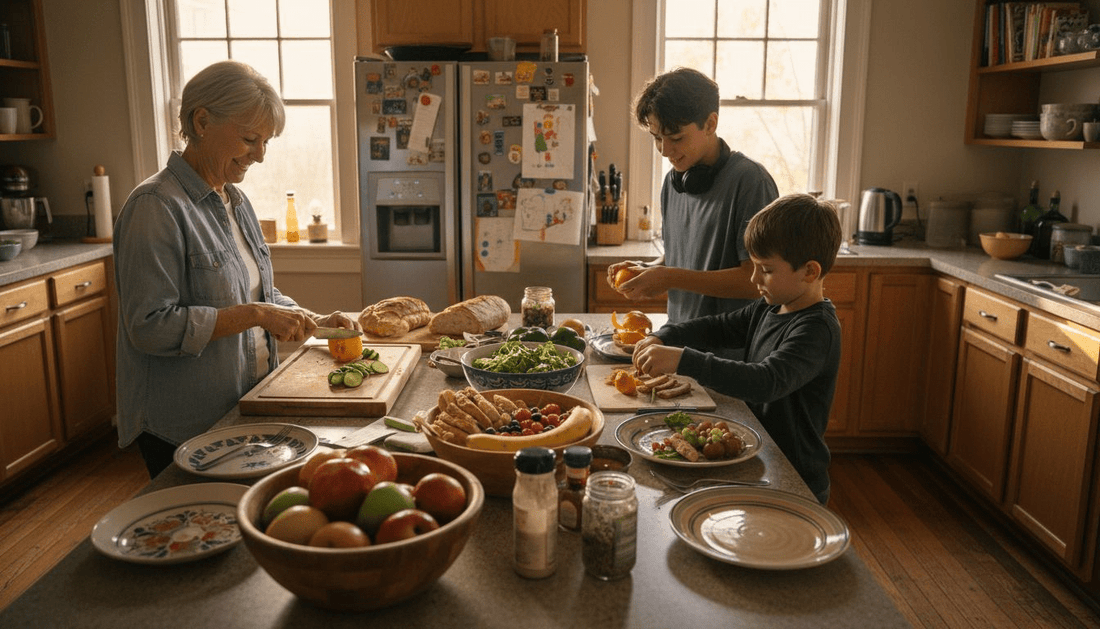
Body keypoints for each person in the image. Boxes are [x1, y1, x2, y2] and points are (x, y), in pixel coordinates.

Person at [113, 60, 358, 478]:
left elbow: (256, 294)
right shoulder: (155, 206)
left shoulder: (233, 201)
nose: (260, 156)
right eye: (250, 139)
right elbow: (149, 326)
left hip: (243, 410)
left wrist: (313, 320)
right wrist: (256, 316)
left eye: (266, 142)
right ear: (202, 121)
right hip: (185, 427)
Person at [632, 194, 843, 504]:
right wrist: (665, 336)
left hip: (796, 479)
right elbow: (716, 327)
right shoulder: (769, 307)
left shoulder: (816, 330)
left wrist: (684, 360)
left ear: (810, 271)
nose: (755, 278)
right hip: (763, 459)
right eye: (755, 266)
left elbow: (765, 381)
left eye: (766, 270)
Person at [607, 67, 779, 329]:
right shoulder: (673, 182)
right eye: (657, 138)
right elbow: (680, 258)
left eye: (676, 137)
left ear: (710, 124)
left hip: (733, 356)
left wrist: (668, 277)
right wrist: (647, 269)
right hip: (680, 341)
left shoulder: (751, 182)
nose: (665, 151)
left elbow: (757, 281)